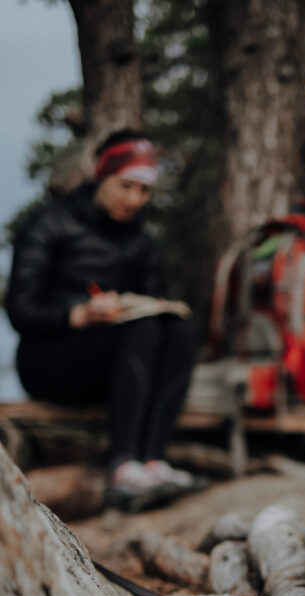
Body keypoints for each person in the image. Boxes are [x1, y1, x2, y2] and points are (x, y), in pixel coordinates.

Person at [6, 128, 205, 511]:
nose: (134, 199)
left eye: (143, 191)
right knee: (142, 327)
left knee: (179, 330)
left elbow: (153, 307)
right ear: (102, 175)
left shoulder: (142, 243)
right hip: (48, 363)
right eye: (125, 186)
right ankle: (123, 466)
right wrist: (78, 314)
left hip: (118, 367)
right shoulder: (48, 224)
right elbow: (20, 311)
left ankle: (152, 461)